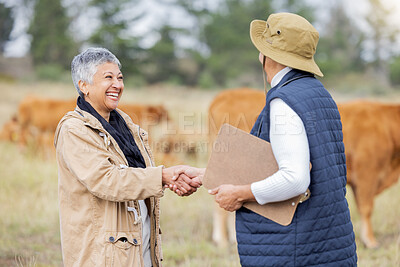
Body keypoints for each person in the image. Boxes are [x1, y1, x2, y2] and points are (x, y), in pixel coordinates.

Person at [175, 12, 357, 266]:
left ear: (267, 55)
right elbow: (274, 165)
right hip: (326, 243)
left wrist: (239, 194)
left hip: (294, 249)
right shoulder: (319, 94)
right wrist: (208, 174)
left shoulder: (284, 101)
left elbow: (295, 178)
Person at [54, 47, 201, 266]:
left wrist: (170, 178)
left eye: (120, 78)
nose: (117, 85)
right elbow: (106, 180)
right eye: (108, 77)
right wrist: (162, 176)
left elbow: (137, 174)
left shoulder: (124, 122)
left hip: (135, 241)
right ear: (84, 86)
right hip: (102, 252)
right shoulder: (74, 130)